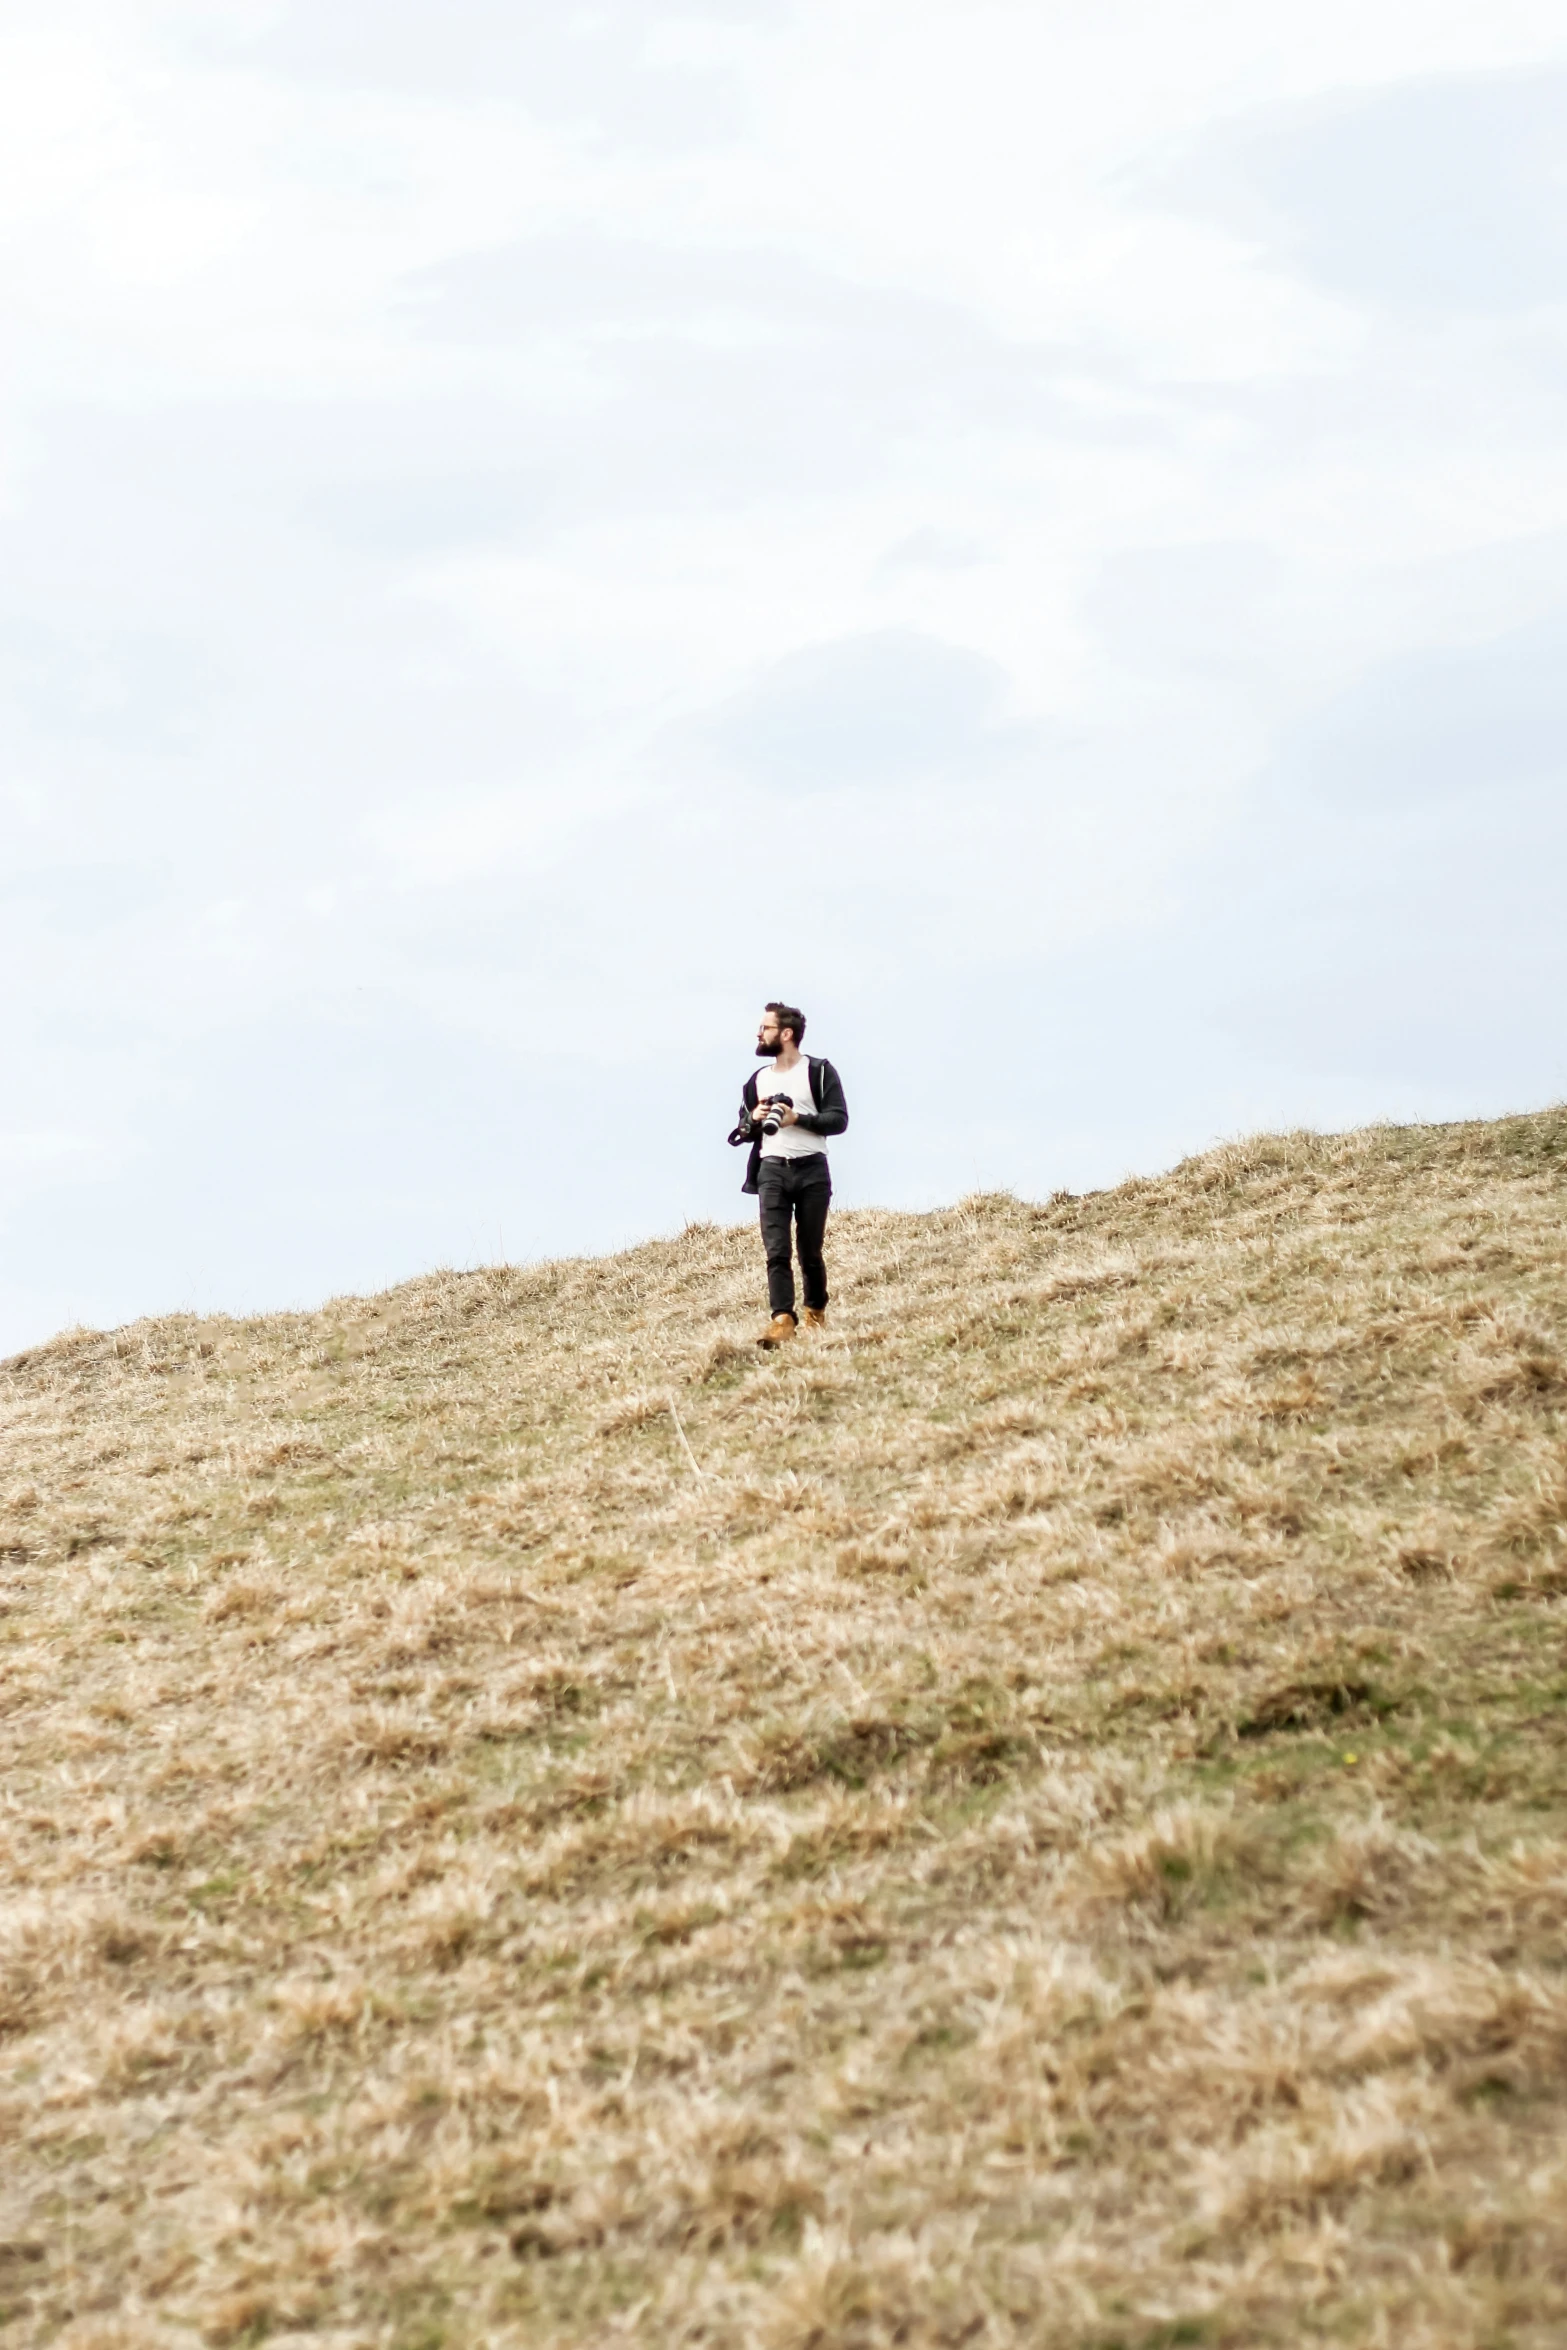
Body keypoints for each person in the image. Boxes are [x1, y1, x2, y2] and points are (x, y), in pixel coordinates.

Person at [727, 1002, 849, 1348]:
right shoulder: (757, 1081)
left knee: (810, 1250)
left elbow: (839, 1120)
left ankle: (815, 1313)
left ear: (786, 1033)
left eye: (765, 1028)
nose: (758, 1033)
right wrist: (753, 1116)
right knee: (776, 1249)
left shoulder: (819, 1072)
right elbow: (743, 1128)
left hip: (812, 1169)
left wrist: (799, 1120)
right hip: (772, 1170)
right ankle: (782, 1319)